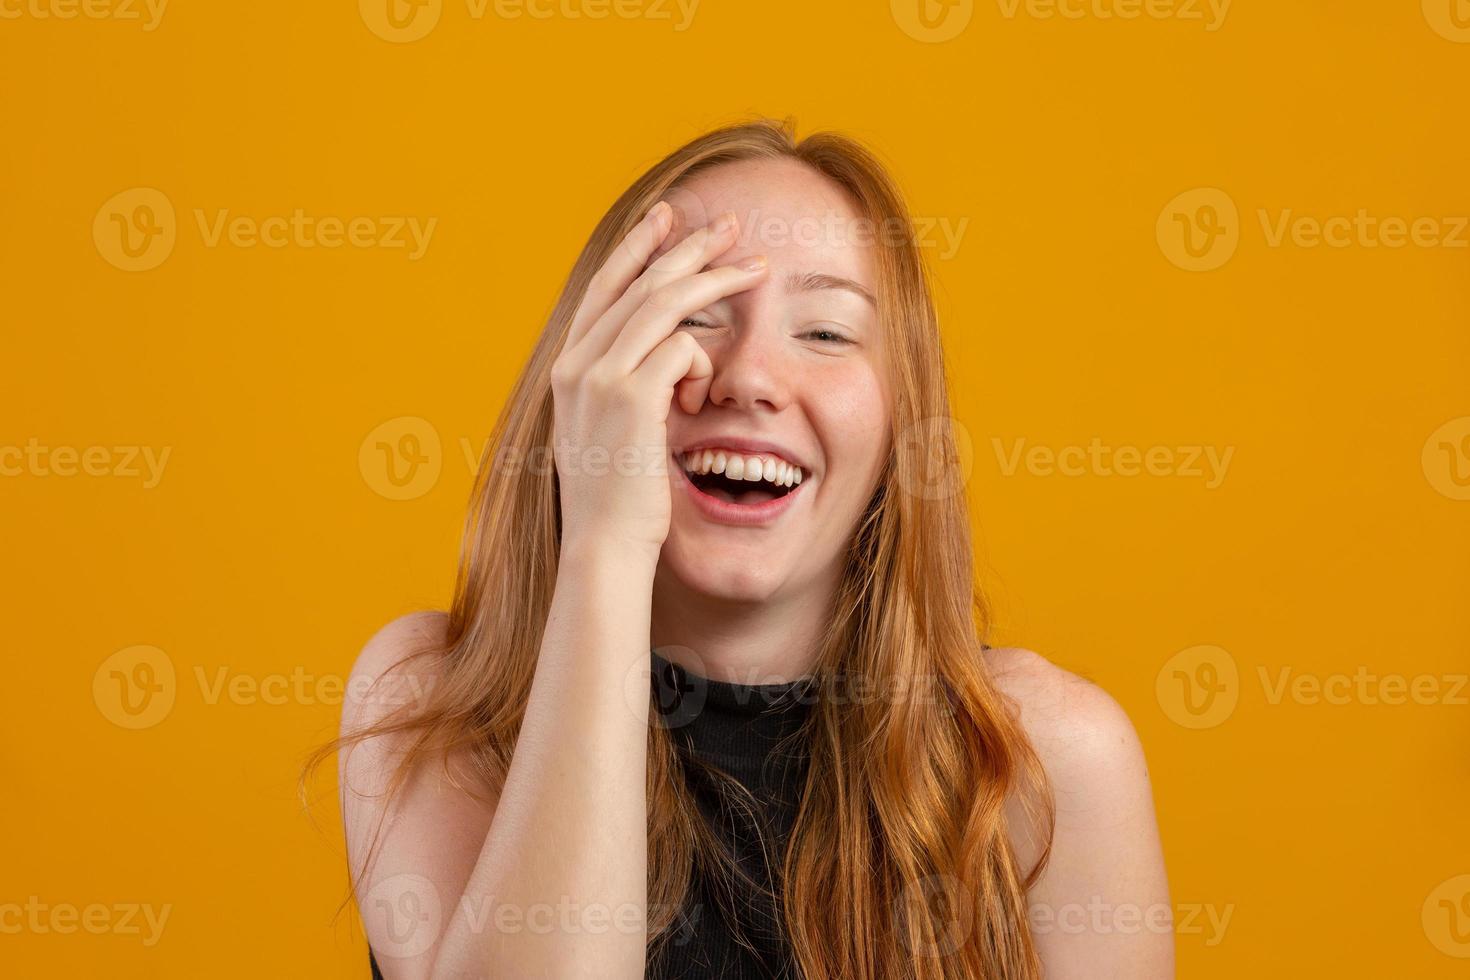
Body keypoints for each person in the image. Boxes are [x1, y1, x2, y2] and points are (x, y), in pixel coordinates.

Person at [316, 117, 1172, 979]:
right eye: (691, 315)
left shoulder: (1043, 759)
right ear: (588, 376)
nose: (750, 379)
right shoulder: (434, 704)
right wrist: (605, 546)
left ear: (899, 426)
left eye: (827, 332)